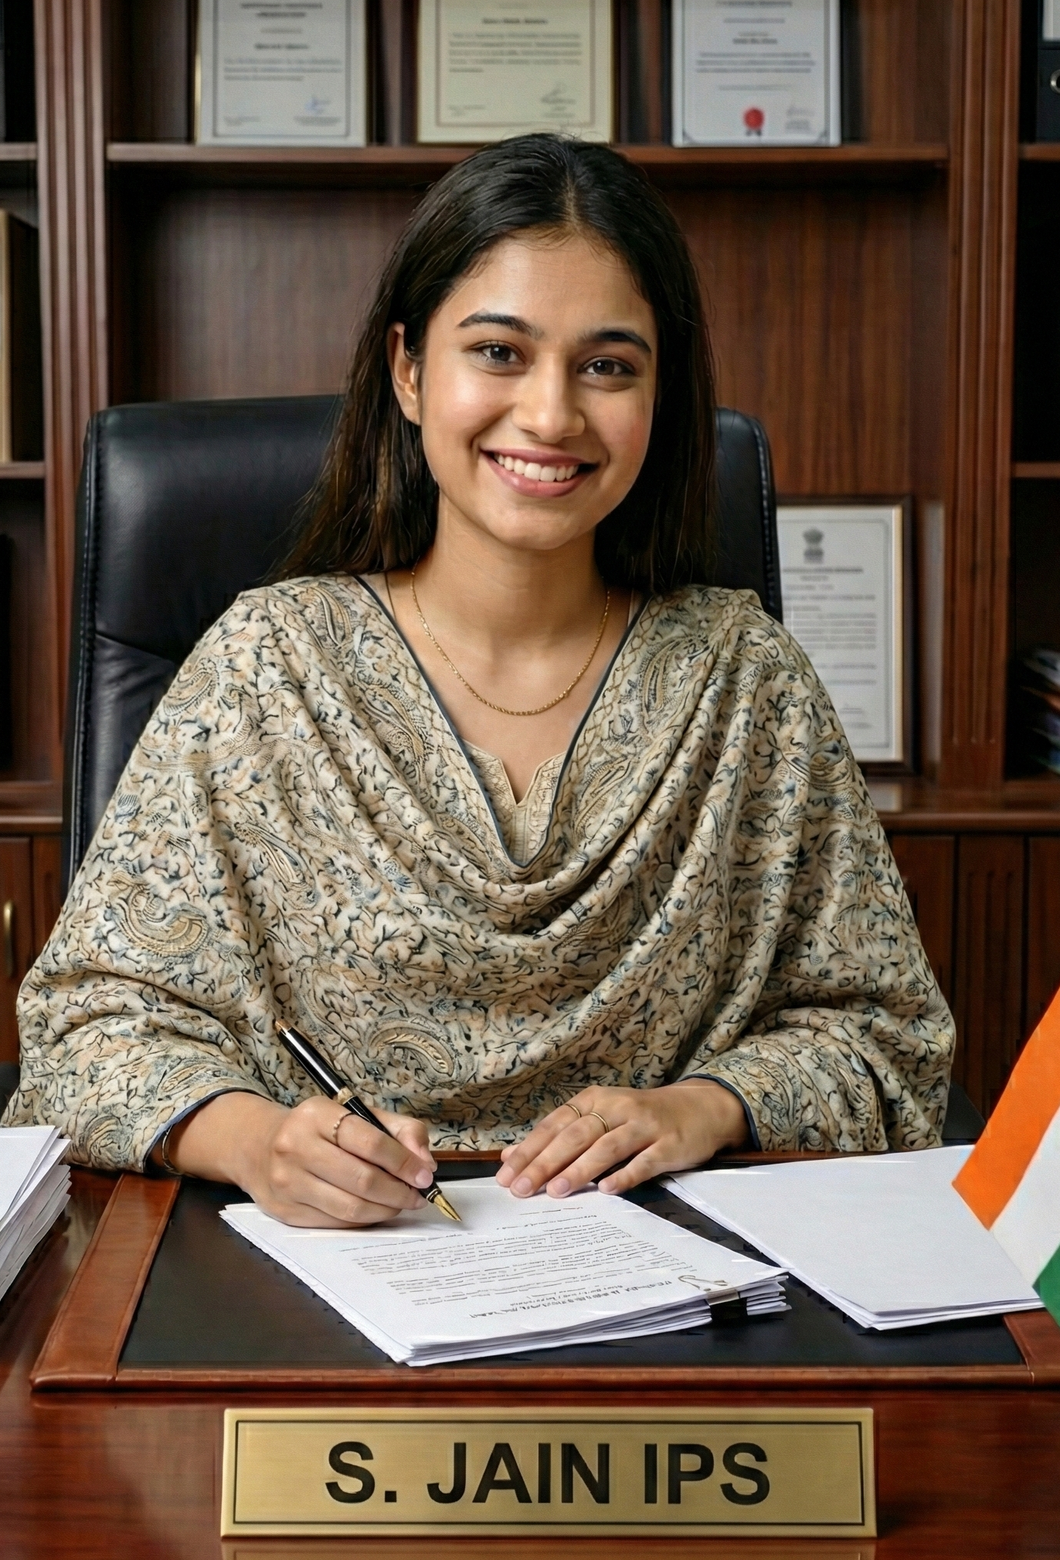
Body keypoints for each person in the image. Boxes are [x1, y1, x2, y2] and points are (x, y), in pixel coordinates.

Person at [5, 135, 953, 1228]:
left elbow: (886, 1039)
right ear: (409, 370)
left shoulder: (745, 682)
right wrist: (259, 1144)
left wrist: (704, 1107)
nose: (551, 415)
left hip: (672, 1279)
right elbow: (86, 1034)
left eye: (607, 366)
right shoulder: (265, 669)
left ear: (660, 394)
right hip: (324, 1279)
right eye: (498, 352)